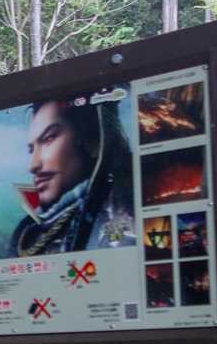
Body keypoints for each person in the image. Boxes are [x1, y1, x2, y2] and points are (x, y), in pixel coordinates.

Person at [11, 97, 135, 256]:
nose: (33, 165)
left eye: (49, 138)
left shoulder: (127, 205)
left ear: (92, 139)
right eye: (31, 150)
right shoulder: (27, 232)